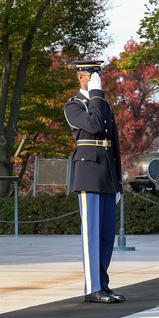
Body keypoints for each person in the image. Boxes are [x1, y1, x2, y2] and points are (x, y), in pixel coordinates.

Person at [64, 60, 124, 304]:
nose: (97, 78)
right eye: (92, 74)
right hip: (88, 173)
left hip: (107, 174)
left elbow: (115, 144)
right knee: (91, 234)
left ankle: (103, 284)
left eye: (98, 74)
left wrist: (118, 182)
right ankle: (92, 287)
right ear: (81, 78)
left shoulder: (101, 104)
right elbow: (95, 126)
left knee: (106, 235)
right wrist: (96, 95)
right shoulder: (74, 105)